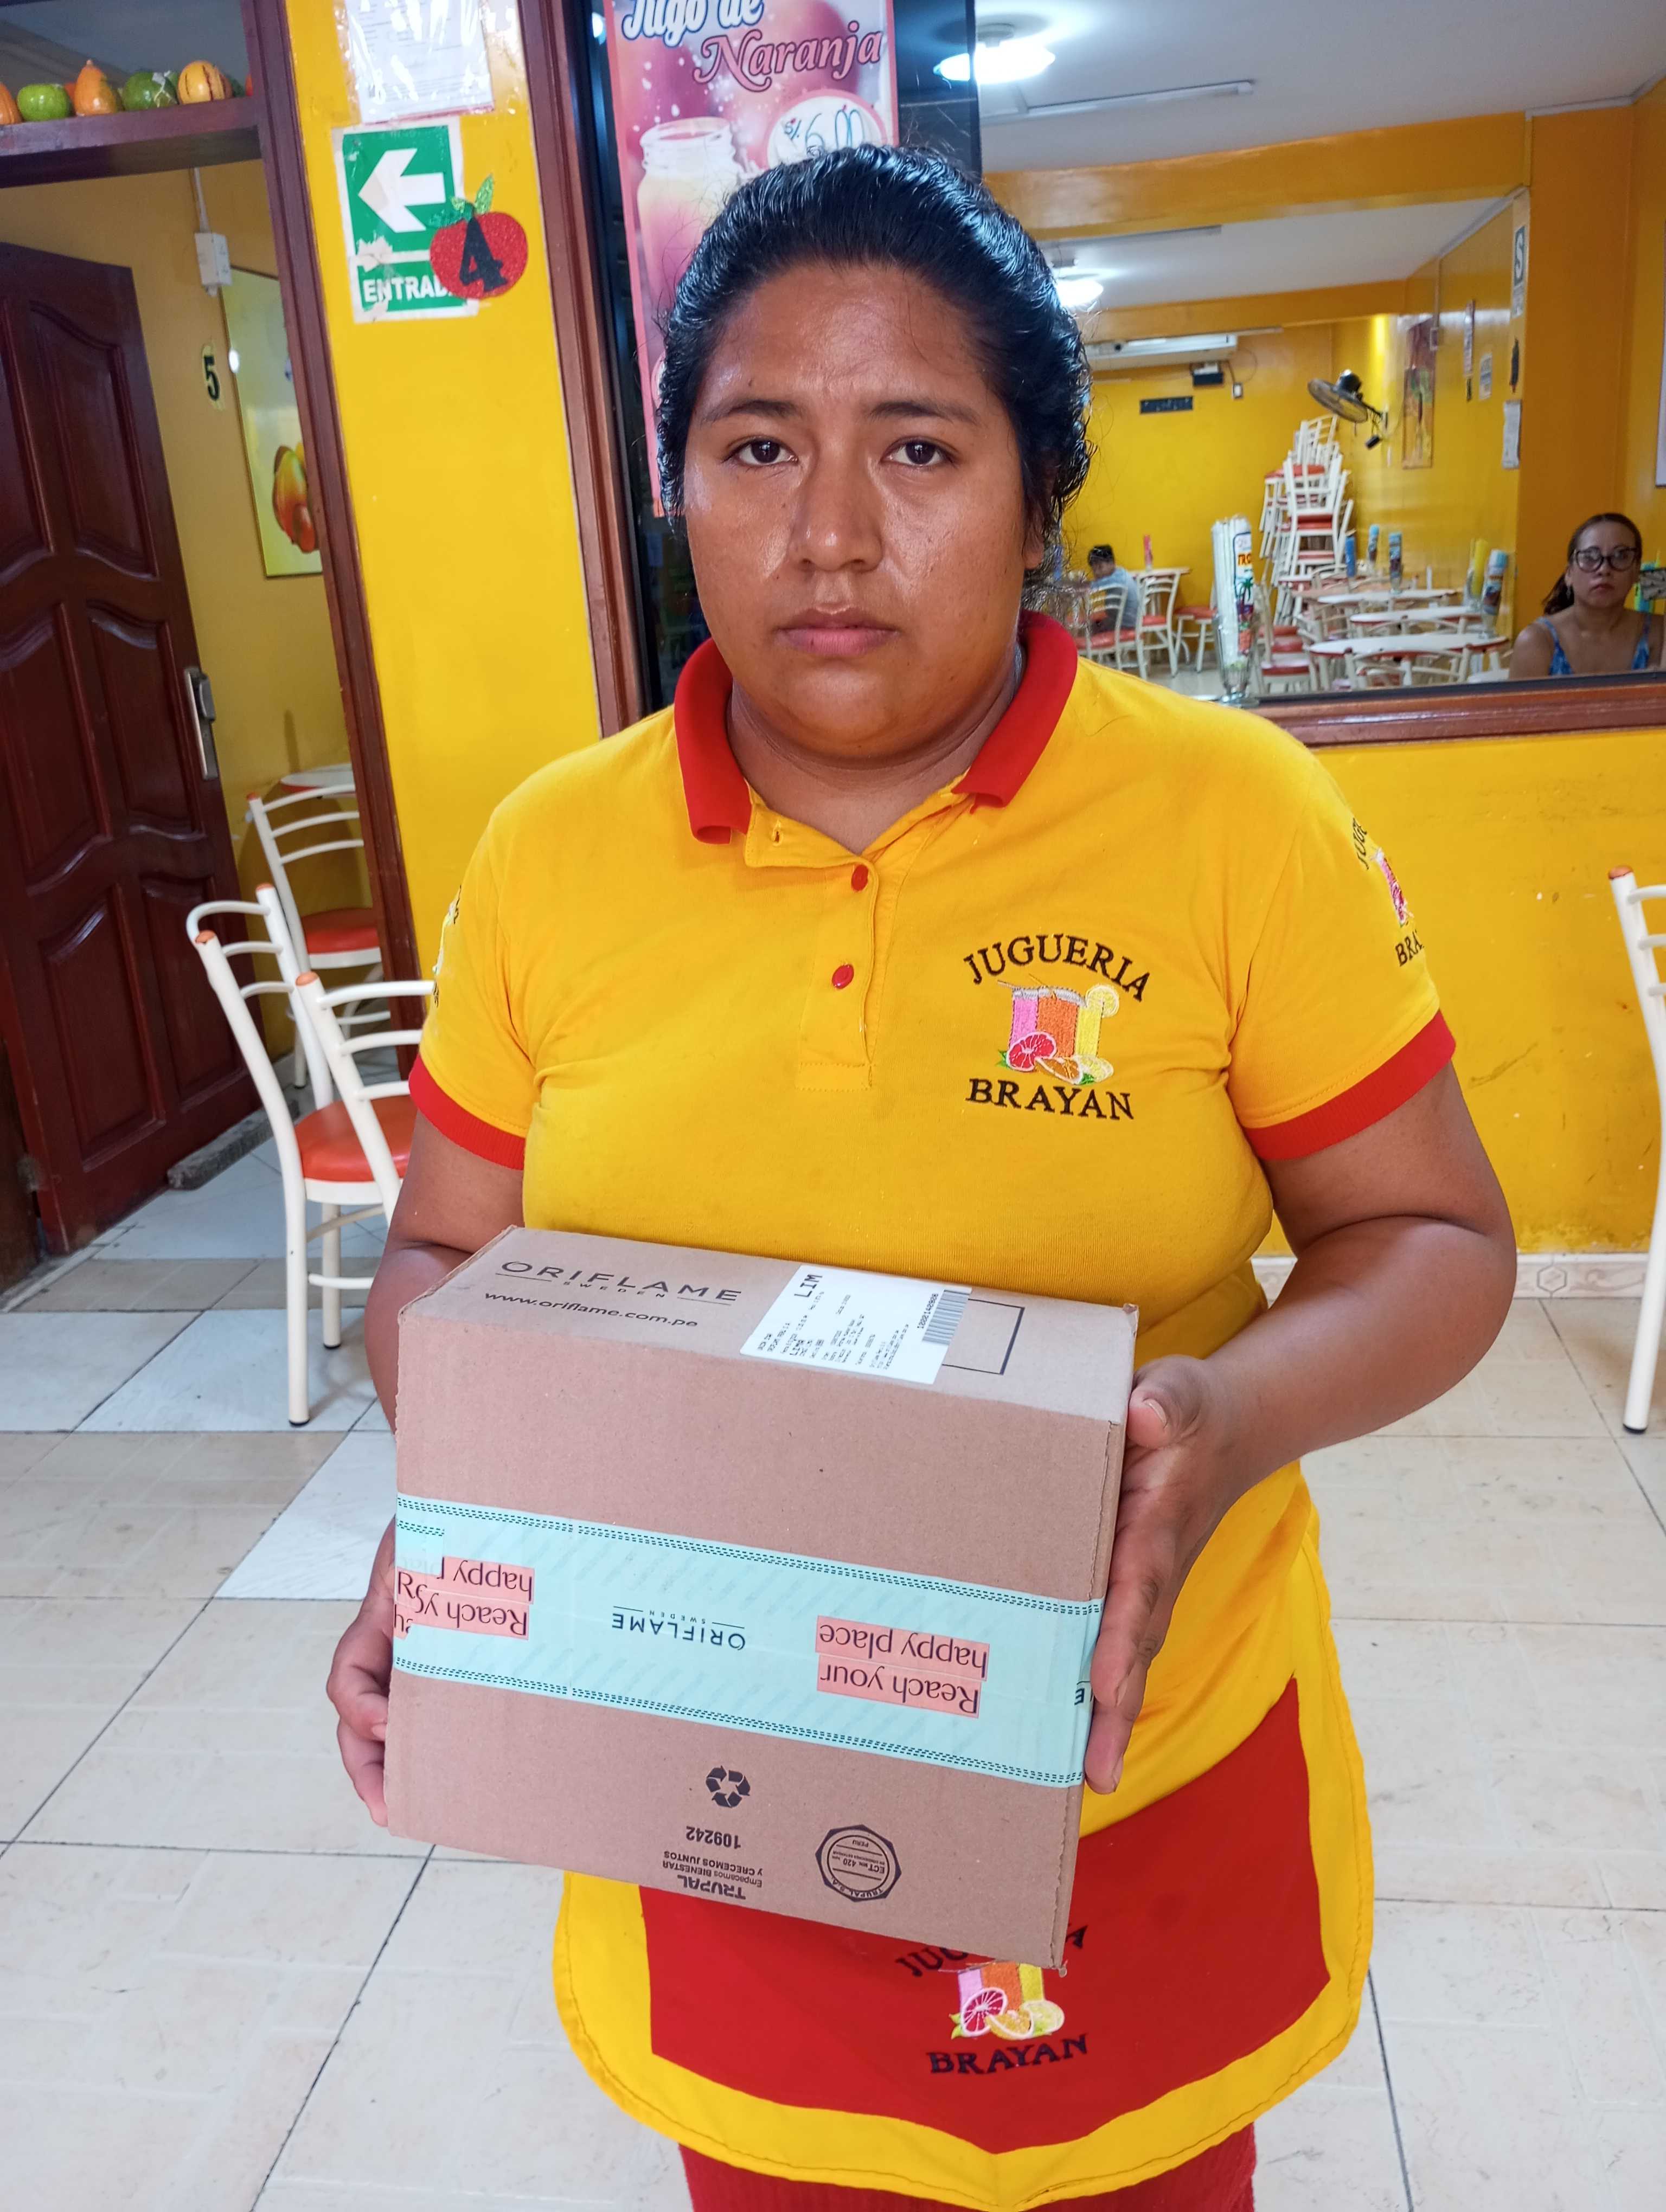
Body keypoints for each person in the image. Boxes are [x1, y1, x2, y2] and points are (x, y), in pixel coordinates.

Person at [328, 146, 1514, 2211]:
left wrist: (1219, 1424)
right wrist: (472, 1519)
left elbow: (1432, 1237)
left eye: (919, 447)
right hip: (720, 1784)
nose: (832, 533)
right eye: (757, 446)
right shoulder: (550, 853)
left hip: (1127, 1770)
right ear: (677, 487)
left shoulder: (1231, 818)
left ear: (1039, 496)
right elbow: (441, 1254)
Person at [1509, 510, 1663, 678]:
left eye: (1621, 556)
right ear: (1569, 574)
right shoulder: (1537, 642)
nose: (1604, 569)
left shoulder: (1659, 633)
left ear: (1636, 572)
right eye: (1590, 557)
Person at [1086, 540, 1139, 634]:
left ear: (1112, 563)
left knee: (1088, 628)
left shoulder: (1115, 580)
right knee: (1093, 624)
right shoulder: (1120, 573)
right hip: (1127, 621)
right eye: (1094, 569)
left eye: (1100, 567)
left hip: (1125, 625)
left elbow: (1090, 587)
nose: (1097, 572)